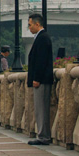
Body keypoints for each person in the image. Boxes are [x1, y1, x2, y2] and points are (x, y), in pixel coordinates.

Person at [26, 13, 54, 145]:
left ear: (37, 24)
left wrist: (37, 78)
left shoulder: (43, 38)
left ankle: (43, 136)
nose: (29, 27)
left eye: (30, 25)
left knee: (41, 109)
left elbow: (41, 61)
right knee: (39, 108)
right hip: (40, 80)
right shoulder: (41, 37)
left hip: (42, 80)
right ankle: (42, 134)